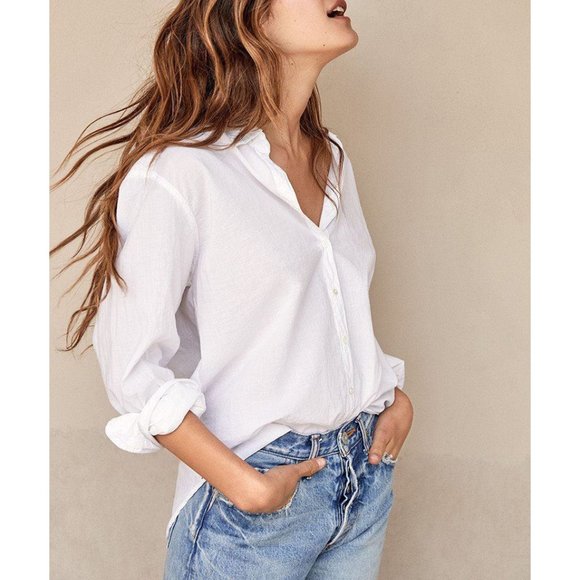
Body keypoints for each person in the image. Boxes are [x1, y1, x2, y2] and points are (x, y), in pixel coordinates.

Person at [50, 0, 414, 578]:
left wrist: (390, 395)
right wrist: (245, 485)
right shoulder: (180, 172)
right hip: (257, 496)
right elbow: (131, 367)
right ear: (248, 15)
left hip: (362, 478)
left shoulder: (332, 158)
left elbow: (329, 311)